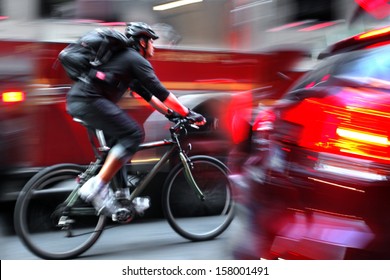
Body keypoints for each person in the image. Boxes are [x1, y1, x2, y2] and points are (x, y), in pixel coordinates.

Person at [66, 22, 206, 220]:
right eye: (151, 42)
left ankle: (122, 199)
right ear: (142, 41)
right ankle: (96, 187)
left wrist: (170, 114)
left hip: (82, 101)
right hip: (88, 102)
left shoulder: (126, 62)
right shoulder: (134, 60)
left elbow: (148, 96)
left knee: (120, 143)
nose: (154, 47)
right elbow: (161, 91)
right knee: (133, 134)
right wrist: (188, 113)